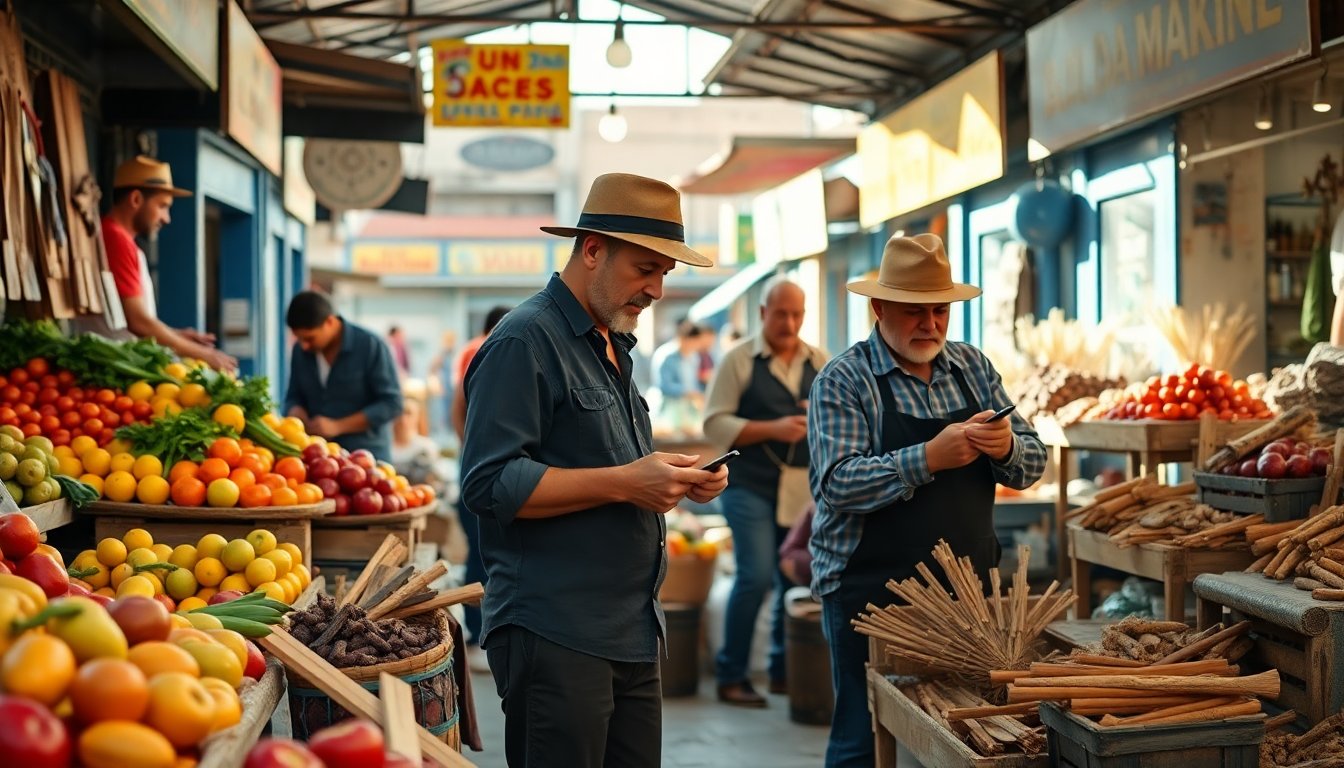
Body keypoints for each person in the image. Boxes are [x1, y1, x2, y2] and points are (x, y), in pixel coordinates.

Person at [460, 173, 729, 767]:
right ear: (591, 249)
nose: (657, 289)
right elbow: (488, 483)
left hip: (631, 630)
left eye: (665, 274)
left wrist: (674, 480)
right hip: (556, 633)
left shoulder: (612, 342)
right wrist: (629, 482)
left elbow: (611, 467)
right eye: (644, 269)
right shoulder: (524, 341)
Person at [807, 233, 1046, 767]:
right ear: (879, 307)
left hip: (967, 589)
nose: (931, 325)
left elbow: (1035, 460)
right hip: (871, 591)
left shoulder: (973, 369)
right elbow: (837, 483)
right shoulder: (844, 380)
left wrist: (1008, 446)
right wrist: (930, 458)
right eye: (915, 312)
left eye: (940, 311)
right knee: (861, 736)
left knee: (964, 733)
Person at [702, 277, 829, 707]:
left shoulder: (820, 362)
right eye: (781, 313)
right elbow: (714, 424)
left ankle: (781, 671)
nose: (789, 322)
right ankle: (731, 675)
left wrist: (820, 417)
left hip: (800, 491)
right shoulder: (738, 360)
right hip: (748, 487)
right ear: (762, 314)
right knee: (755, 576)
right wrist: (772, 428)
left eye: (797, 314)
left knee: (790, 575)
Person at [97, 156, 236, 371]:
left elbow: (131, 321)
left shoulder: (121, 239)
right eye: (162, 206)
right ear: (135, 199)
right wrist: (204, 354)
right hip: (113, 369)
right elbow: (138, 321)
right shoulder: (116, 238)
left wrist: (177, 336)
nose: (167, 218)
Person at [283, 290, 403, 462]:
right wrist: (295, 410)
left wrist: (338, 426)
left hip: (367, 459)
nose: (304, 346)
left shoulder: (370, 346)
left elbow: (392, 403)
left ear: (330, 322)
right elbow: (293, 395)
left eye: (310, 338)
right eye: (299, 339)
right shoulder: (300, 352)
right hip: (319, 459)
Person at [450, 306, 511, 441]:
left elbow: (458, 395)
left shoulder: (471, 347)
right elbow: (461, 395)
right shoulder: (486, 346)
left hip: (473, 427)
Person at [652, 320, 710, 434]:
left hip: (688, 409)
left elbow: (693, 383)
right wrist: (689, 393)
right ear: (683, 339)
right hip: (668, 409)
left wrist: (699, 395)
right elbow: (664, 386)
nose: (694, 347)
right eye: (692, 343)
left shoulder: (694, 357)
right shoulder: (666, 356)